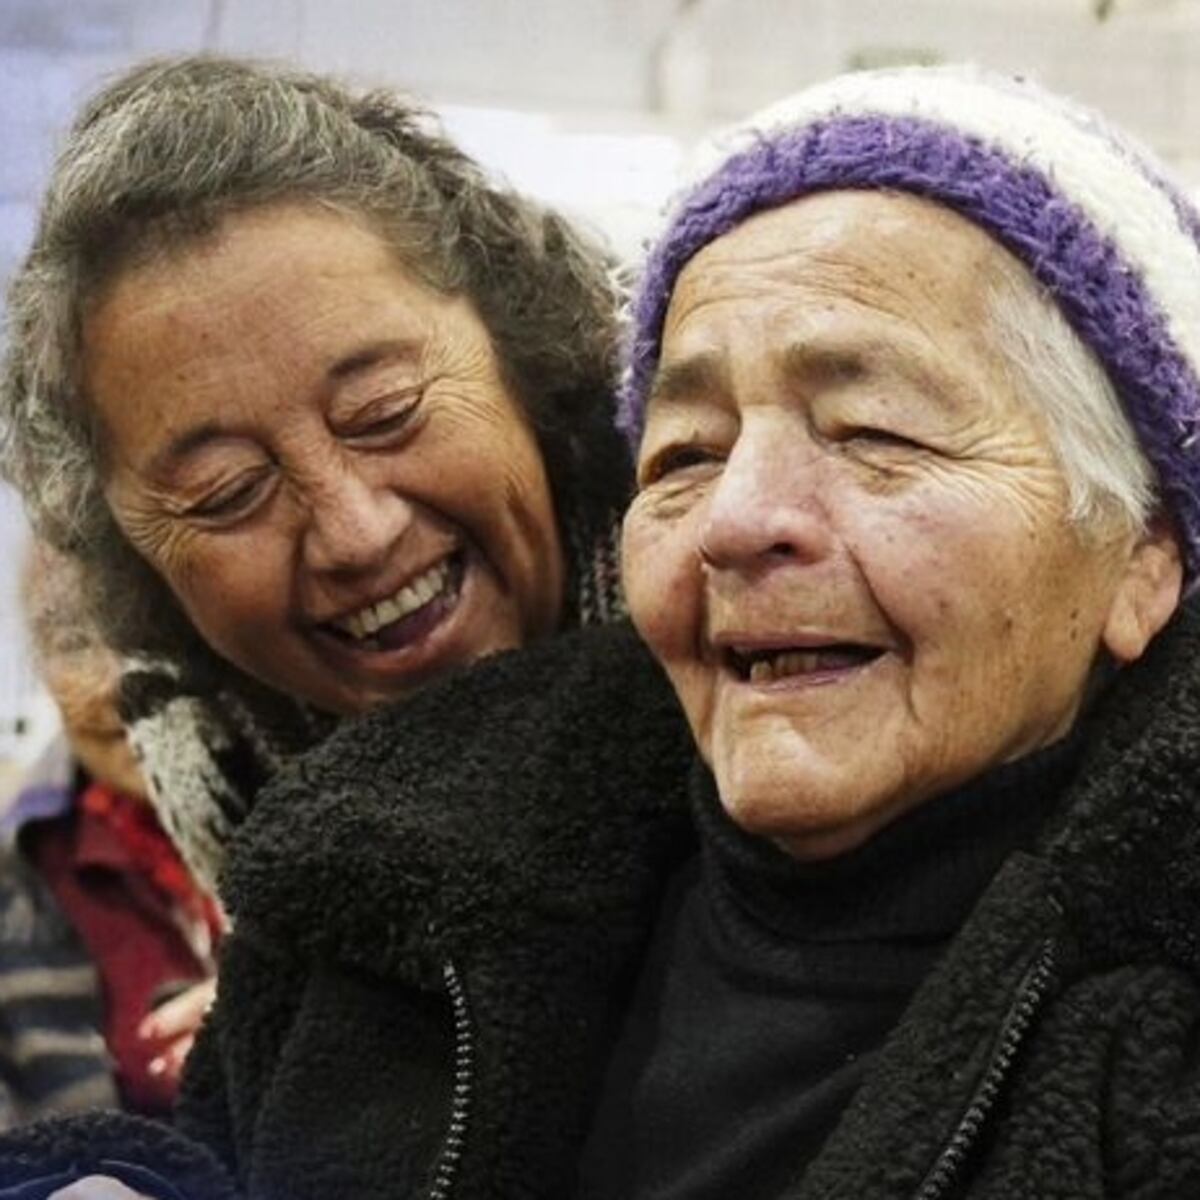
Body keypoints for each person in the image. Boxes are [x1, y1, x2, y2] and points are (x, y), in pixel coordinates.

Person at [12, 61, 1200, 1200]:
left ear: (1148, 553)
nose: (735, 518)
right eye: (686, 453)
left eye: (873, 430)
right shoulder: (361, 885)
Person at [0, 53, 632, 898]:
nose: (357, 532)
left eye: (385, 411)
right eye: (229, 493)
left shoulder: (733, 587)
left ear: (520, 353)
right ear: (136, 568)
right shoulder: (215, 760)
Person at [0, 545, 220, 1124]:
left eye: (145, 629)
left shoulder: (309, 802)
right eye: (73, 644)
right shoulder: (20, 882)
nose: (118, 684)